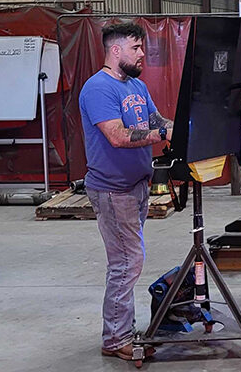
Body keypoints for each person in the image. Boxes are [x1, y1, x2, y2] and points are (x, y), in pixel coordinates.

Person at [79, 22, 173, 361]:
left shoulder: (136, 85)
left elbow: (156, 120)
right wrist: (163, 134)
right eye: (136, 49)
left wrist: (177, 128)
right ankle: (115, 338)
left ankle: (121, 328)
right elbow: (118, 136)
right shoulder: (98, 89)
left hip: (136, 186)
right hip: (112, 190)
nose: (142, 55)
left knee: (128, 260)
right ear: (115, 50)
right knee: (126, 262)